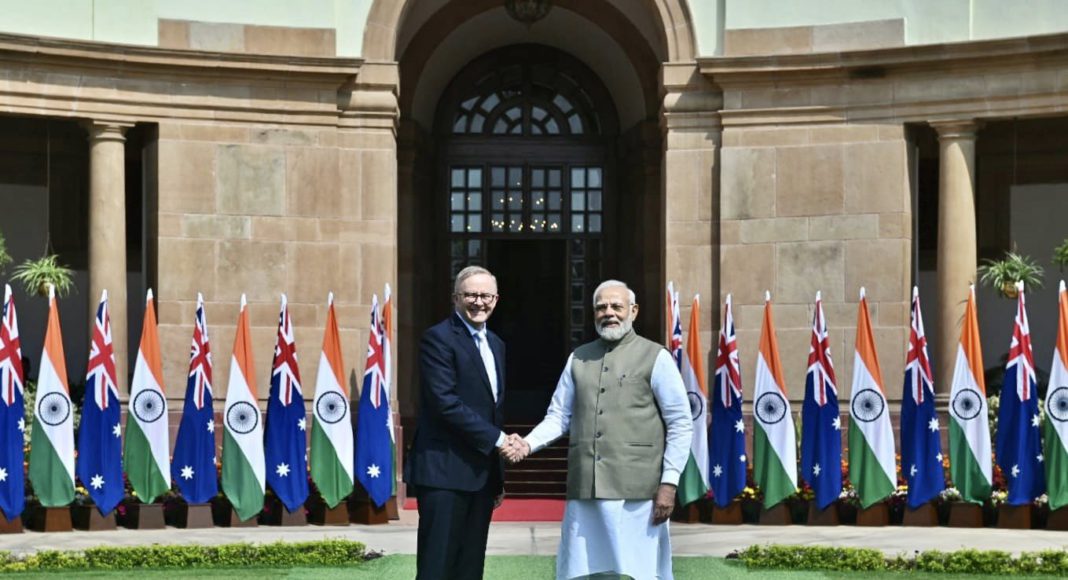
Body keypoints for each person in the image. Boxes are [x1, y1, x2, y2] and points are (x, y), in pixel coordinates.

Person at [506, 280, 692, 580]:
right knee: (583, 573)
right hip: (586, 489)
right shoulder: (578, 357)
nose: (609, 313)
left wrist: (669, 484)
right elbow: (558, 416)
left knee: (640, 572)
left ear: (633, 310)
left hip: (638, 492)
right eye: (601, 307)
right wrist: (527, 444)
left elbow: (681, 423)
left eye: (616, 306)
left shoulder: (656, 356)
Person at [404, 265, 520, 580]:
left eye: (485, 295)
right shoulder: (437, 339)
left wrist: (497, 476)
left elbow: (493, 409)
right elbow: (445, 404)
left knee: (470, 567)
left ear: (496, 299)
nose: (478, 301)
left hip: (481, 477)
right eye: (471, 294)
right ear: (456, 297)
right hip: (444, 473)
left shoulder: (496, 344)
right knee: (437, 566)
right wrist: (501, 441)